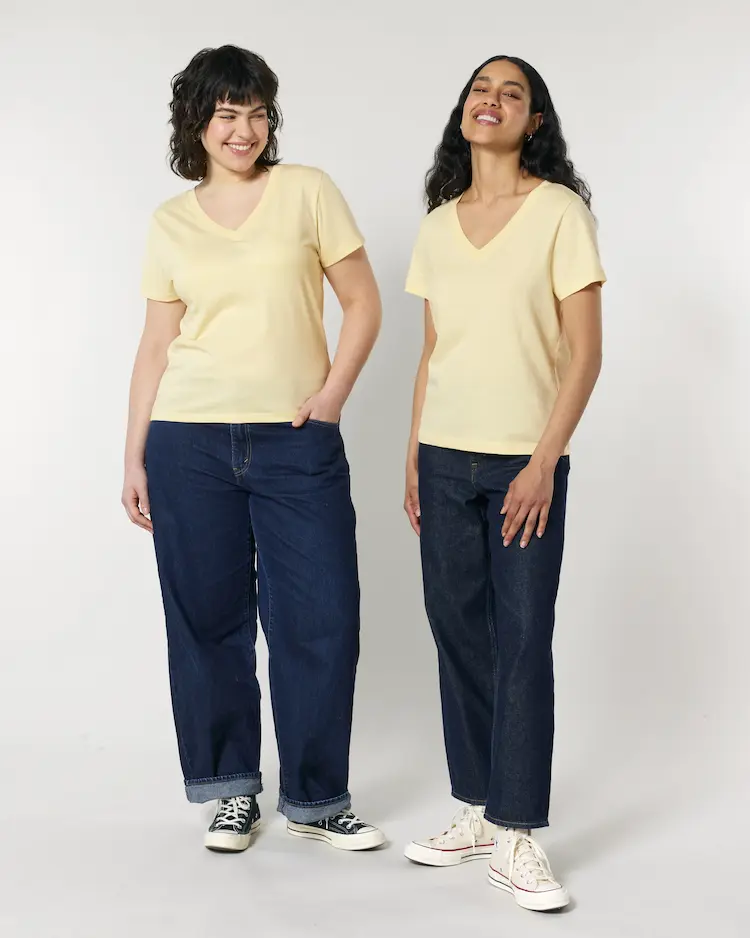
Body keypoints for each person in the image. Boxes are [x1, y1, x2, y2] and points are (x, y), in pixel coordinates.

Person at [122, 44, 385, 853]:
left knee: (321, 618)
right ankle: (231, 791)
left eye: (257, 113)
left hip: (296, 439)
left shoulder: (307, 191)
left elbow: (363, 302)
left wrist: (331, 397)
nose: (243, 130)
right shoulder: (170, 222)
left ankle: (317, 800)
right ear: (196, 122)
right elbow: (156, 345)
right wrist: (133, 455)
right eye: (226, 113)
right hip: (187, 443)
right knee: (207, 622)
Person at [402, 55, 605, 910]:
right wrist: (413, 454)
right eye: (480, 90)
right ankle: (478, 808)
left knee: (522, 640)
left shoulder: (559, 213)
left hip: (526, 461)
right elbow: (432, 351)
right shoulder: (437, 226)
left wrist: (544, 461)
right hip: (444, 459)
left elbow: (585, 353)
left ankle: (518, 830)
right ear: (464, 112)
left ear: (534, 121)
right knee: (457, 634)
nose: (491, 100)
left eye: (511, 93)